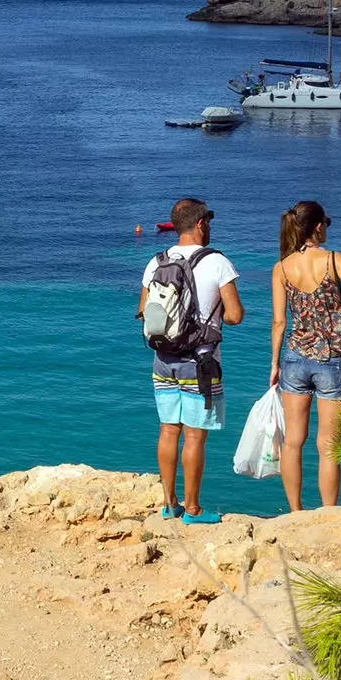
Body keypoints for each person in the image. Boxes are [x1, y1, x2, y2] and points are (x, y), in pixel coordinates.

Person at [139, 198, 244, 523]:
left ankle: (169, 504)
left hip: (163, 357)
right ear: (201, 224)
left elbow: (144, 311)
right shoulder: (217, 263)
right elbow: (236, 316)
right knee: (195, 434)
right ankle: (193, 508)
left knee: (168, 430)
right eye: (208, 222)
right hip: (200, 362)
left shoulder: (157, 261)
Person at [269, 201, 341, 510]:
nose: (328, 227)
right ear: (317, 226)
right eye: (326, 222)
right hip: (332, 359)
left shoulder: (282, 267)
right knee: (328, 445)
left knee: (292, 441)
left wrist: (275, 364)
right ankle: (328, 512)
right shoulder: (332, 260)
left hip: (294, 358)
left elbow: (279, 322)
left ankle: (295, 512)